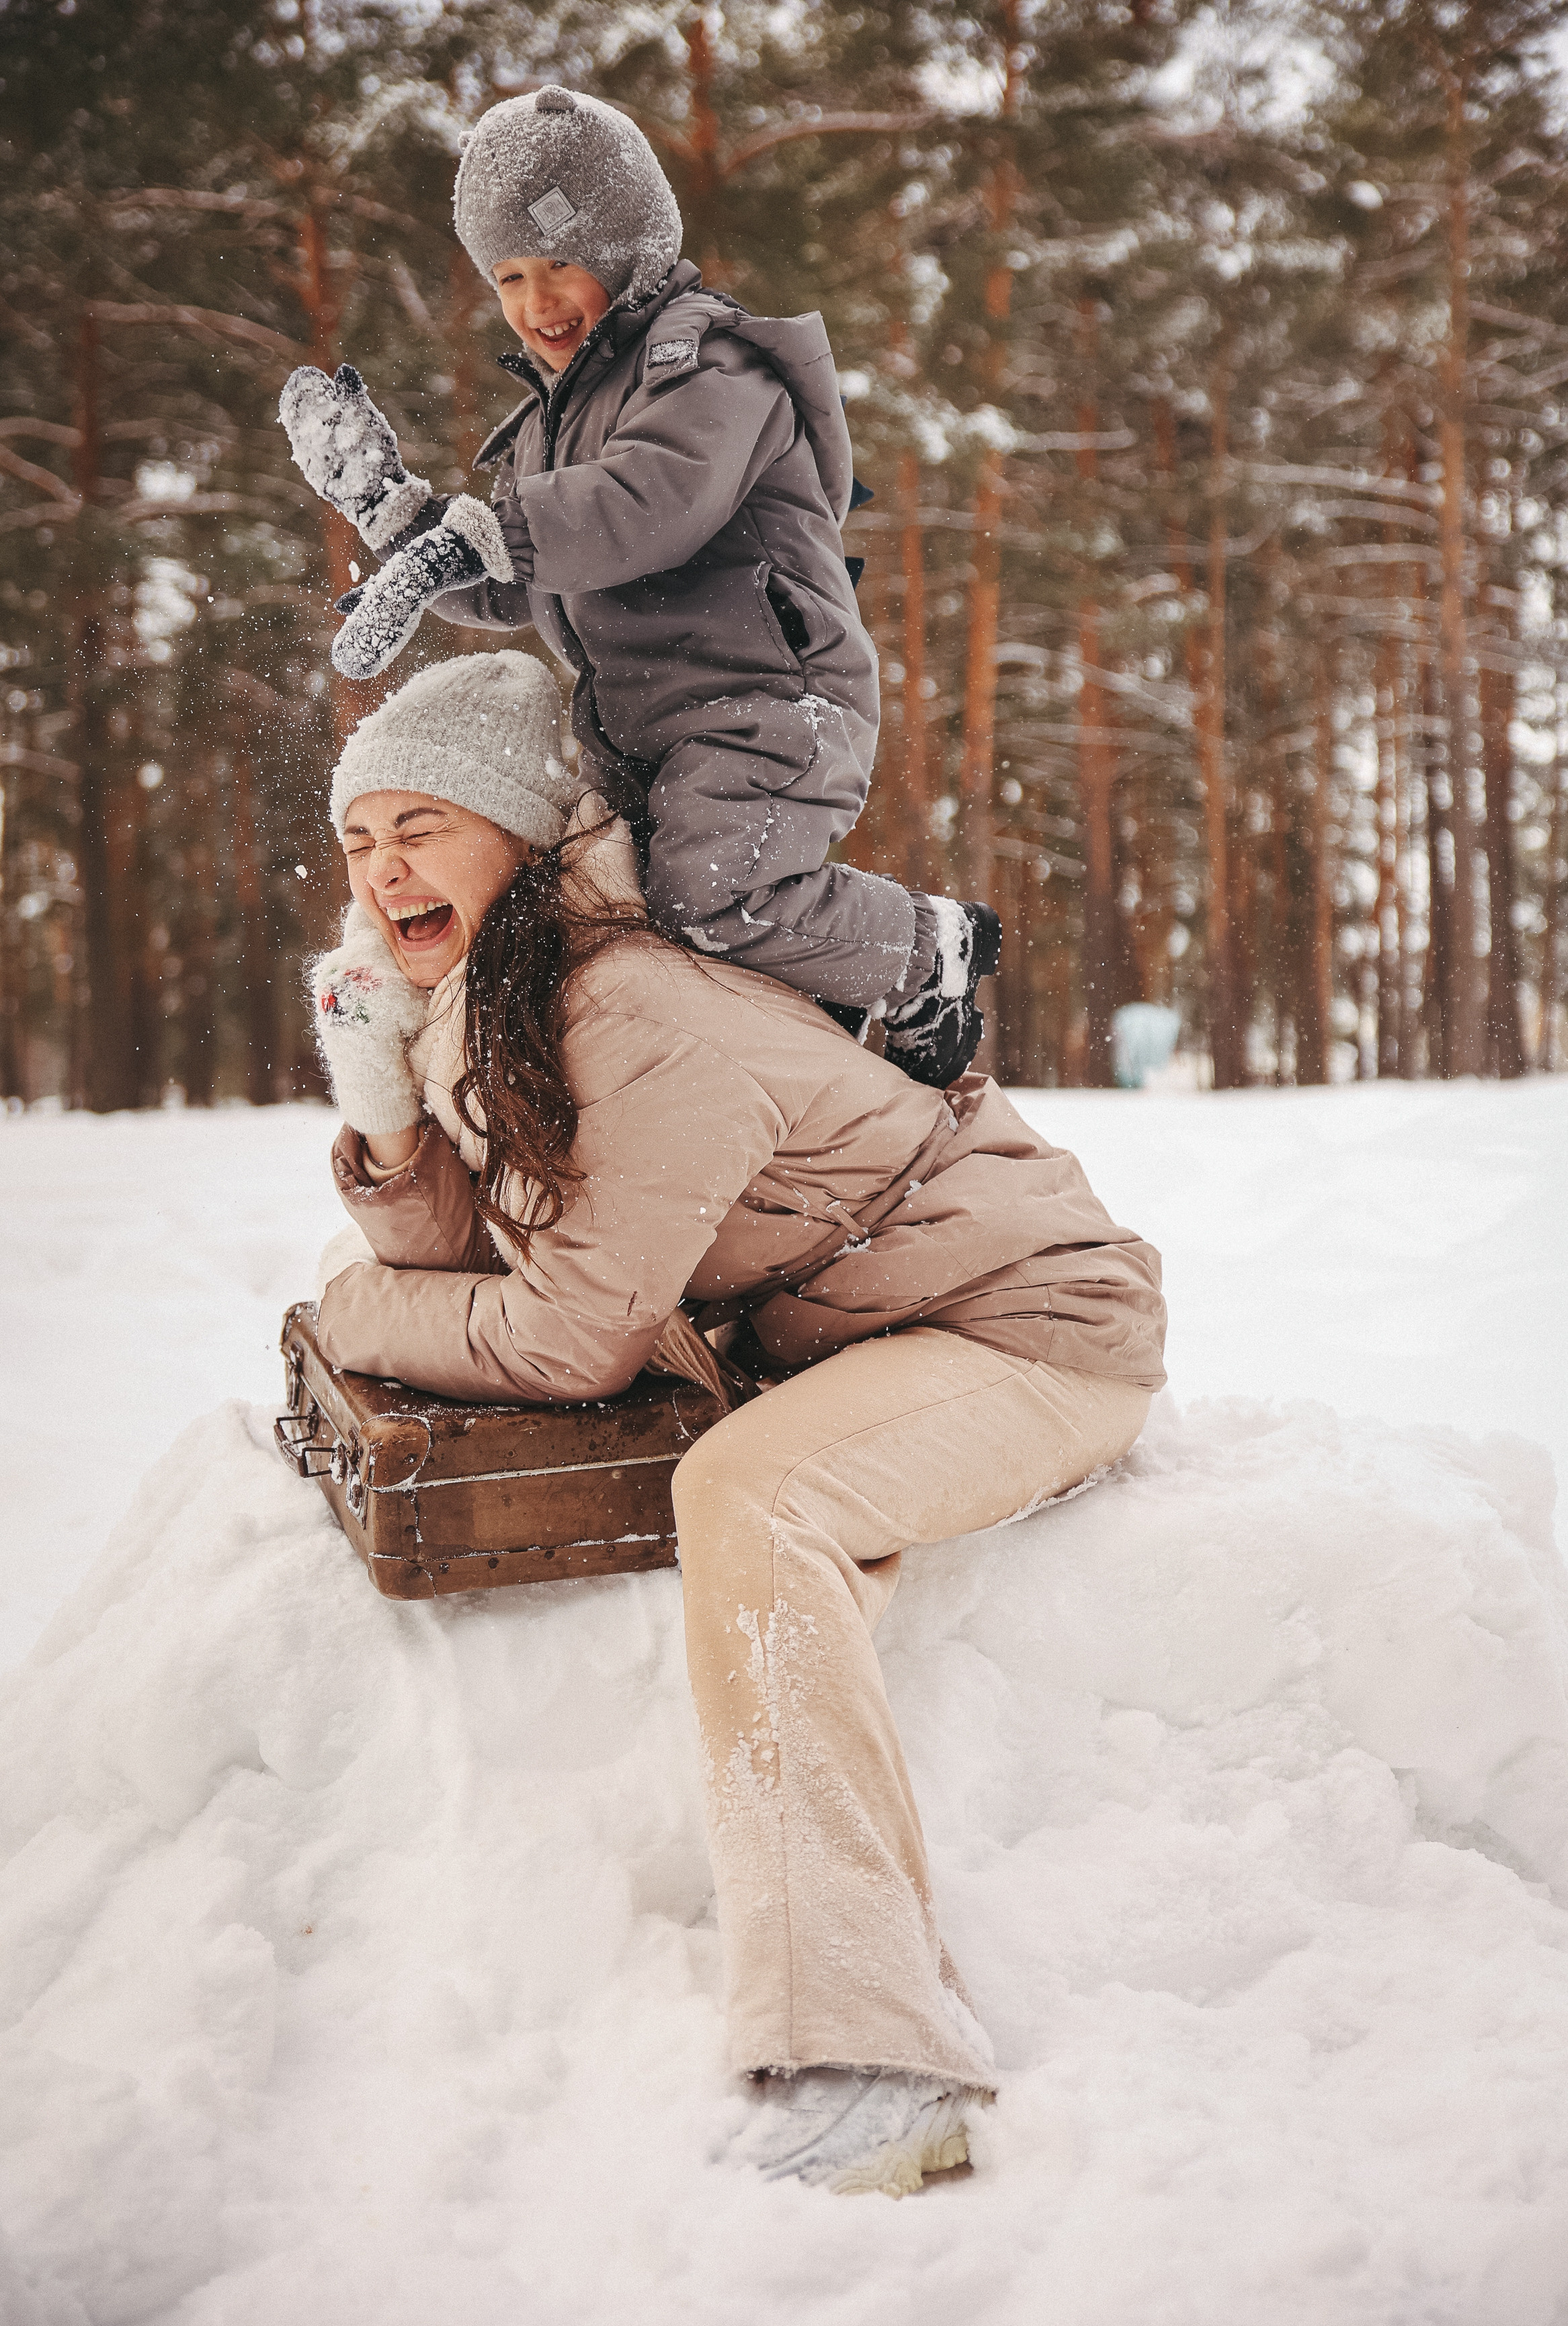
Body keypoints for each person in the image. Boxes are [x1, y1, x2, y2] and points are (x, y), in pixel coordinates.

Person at [309, 651, 1167, 2198]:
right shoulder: (495, 998)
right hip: (868, 1333)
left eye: (422, 823)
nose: (384, 869)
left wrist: (348, 1319)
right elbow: (469, 1257)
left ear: (519, 831)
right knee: (743, 1469)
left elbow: (568, 1332)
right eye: (360, 839)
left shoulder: (626, 1003)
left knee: (754, 1499)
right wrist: (382, 1106)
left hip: (1025, 1327)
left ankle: (879, 2056)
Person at [280, 83, 998, 1090]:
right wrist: (399, 520)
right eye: (509, 275)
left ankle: (927, 952)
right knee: (605, 919)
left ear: (630, 249)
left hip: (768, 704)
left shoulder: (710, 364)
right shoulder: (542, 425)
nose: (537, 303)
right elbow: (513, 583)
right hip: (639, 734)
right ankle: (785, 1048)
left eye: (562, 263)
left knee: (710, 893)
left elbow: (648, 502)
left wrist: (484, 535)